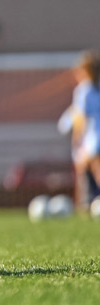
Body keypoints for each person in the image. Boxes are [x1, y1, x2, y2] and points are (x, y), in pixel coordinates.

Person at [69, 50, 100, 207]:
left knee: (86, 169)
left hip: (94, 137)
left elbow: (80, 120)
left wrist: (76, 141)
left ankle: (86, 204)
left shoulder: (84, 90)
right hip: (95, 137)